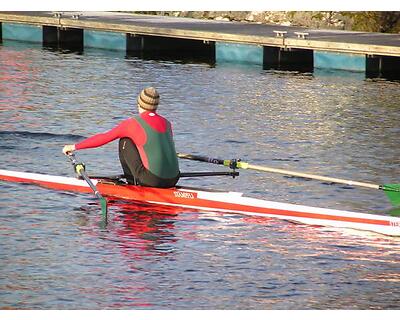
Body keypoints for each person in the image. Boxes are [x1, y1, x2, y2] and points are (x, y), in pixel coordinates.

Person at [62, 87, 180, 188]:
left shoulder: (132, 123)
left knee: (125, 141)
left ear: (139, 104)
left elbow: (104, 138)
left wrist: (74, 147)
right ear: (156, 106)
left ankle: (132, 184)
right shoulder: (167, 123)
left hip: (153, 180)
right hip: (174, 179)